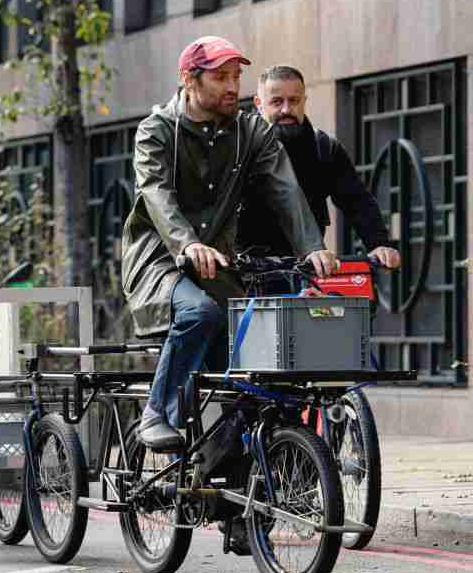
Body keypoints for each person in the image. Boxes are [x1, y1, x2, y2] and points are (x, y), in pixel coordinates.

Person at [122, 36, 338, 456]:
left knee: (252, 373)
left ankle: (231, 497)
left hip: (216, 265)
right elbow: (156, 194)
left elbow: (284, 188)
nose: (231, 86)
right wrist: (187, 244)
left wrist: (312, 245)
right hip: (158, 261)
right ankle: (156, 412)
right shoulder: (157, 130)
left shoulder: (249, 129)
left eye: (236, 76)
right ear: (189, 79)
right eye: (220, 77)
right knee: (199, 313)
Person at [239, 64, 401, 270]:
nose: (286, 109)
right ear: (259, 104)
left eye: (294, 101)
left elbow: (357, 201)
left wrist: (379, 244)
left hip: (308, 269)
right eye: (277, 102)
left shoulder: (324, 148)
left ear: (304, 101)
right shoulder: (238, 146)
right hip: (244, 271)